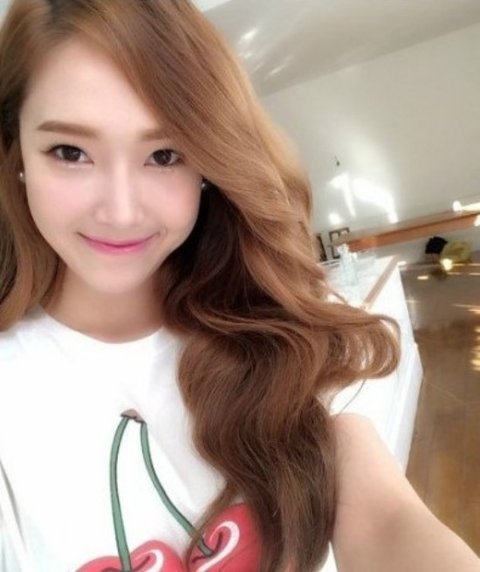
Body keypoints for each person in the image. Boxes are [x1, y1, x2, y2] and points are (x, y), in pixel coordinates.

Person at [0, 1, 478, 571]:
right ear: (17, 155)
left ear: (208, 166)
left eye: (165, 155)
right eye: (70, 152)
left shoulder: (279, 331)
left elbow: (385, 521)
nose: (121, 211)